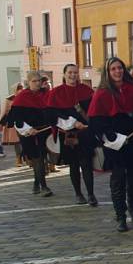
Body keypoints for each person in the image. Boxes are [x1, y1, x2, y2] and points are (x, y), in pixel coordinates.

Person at [88, 57, 133, 232]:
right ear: (108, 72)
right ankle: (120, 215)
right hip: (115, 142)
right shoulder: (102, 93)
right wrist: (111, 136)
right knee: (118, 178)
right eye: (113, 69)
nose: (117, 71)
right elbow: (96, 120)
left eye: (119, 68)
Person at [46, 64, 98, 206]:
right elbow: (52, 115)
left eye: (75, 72)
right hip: (68, 134)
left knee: (86, 164)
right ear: (64, 74)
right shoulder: (56, 92)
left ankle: (91, 194)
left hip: (85, 133)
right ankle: (78, 194)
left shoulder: (86, 90)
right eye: (70, 72)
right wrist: (72, 123)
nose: (72, 75)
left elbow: (94, 110)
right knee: (74, 165)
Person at [7, 71, 53, 196]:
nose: (37, 83)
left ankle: (37, 184)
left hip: (43, 132)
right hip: (28, 133)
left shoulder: (46, 94)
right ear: (28, 82)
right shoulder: (22, 97)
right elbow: (17, 119)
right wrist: (28, 129)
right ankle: (43, 186)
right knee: (37, 158)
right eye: (34, 81)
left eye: (39, 80)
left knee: (41, 157)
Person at [0, 83, 25, 167]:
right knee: (17, 142)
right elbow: (6, 113)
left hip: (26, 122)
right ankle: (19, 159)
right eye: (18, 88)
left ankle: (28, 158)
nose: (20, 90)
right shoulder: (9, 99)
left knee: (26, 141)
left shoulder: (26, 97)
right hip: (14, 123)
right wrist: (2, 123)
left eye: (21, 88)